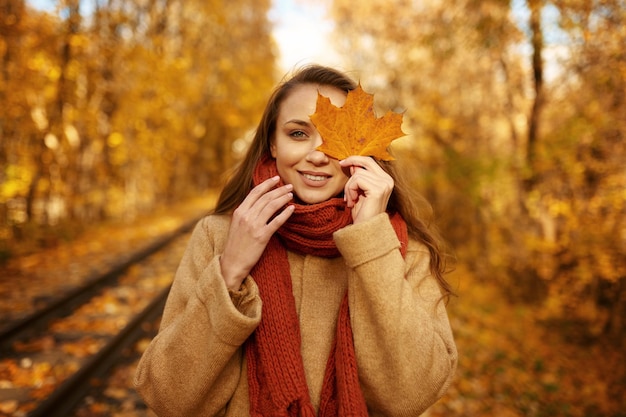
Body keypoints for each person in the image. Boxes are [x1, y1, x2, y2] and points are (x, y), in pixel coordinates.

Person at [134, 64, 457, 416]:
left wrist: (371, 244)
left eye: (336, 140)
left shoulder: (401, 248)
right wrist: (229, 274)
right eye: (298, 134)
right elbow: (168, 397)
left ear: (366, 148)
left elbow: (413, 393)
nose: (318, 155)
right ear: (273, 142)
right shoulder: (219, 236)